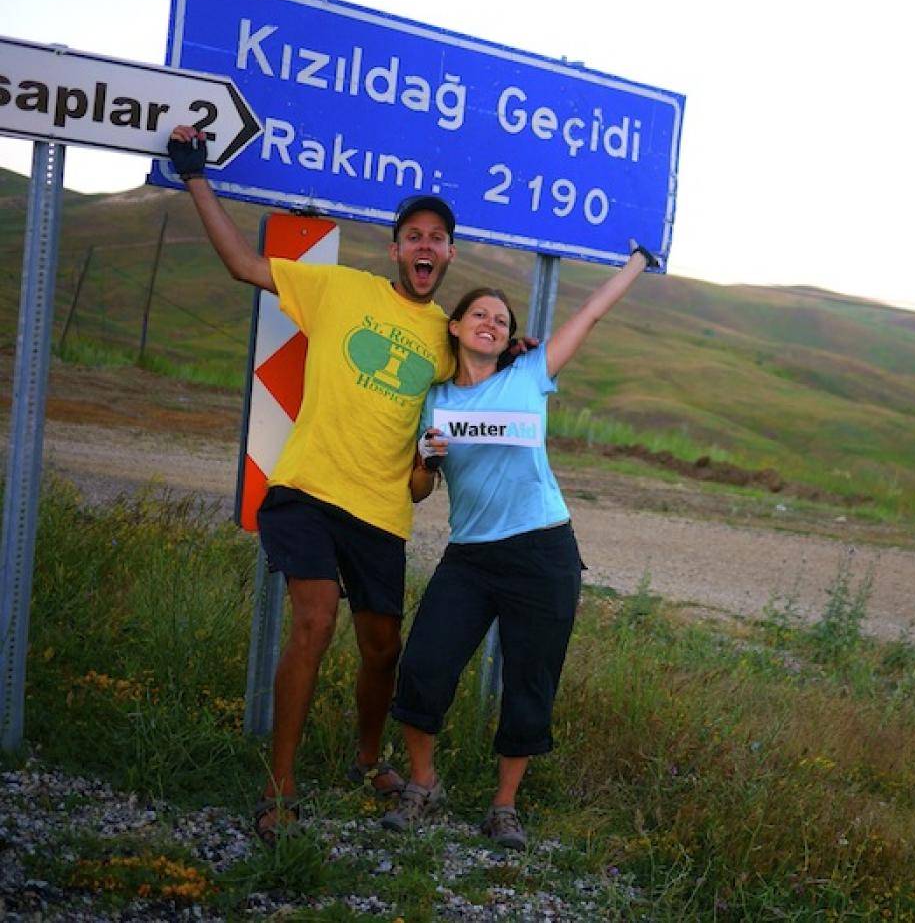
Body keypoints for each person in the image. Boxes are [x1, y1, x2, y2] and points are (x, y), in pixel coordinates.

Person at [165, 125, 459, 843]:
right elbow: (241, 264)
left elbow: (429, 474)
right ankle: (279, 785)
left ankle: (366, 760)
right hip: (306, 491)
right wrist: (194, 175)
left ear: (449, 254)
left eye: (438, 239)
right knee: (315, 620)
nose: (426, 247)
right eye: (413, 236)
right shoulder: (339, 290)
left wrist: (433, 463)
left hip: (383, 512)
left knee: (382, 649)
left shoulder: (448, 341)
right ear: (395, 249)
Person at [383, 240, 661, 848]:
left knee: (531, 681)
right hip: (472, 556)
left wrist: (639, 262)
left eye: (502, 320)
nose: (490, 323)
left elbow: (589, 315)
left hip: (542, 551)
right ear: (455, 326)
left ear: (511, 338)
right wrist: (427, 462)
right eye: (479, 314)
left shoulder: (531, 375)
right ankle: (424, 785)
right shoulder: (434, 399)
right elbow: (418, 490)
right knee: (425, 666)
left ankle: (504, 806)